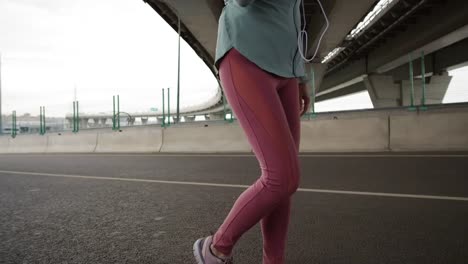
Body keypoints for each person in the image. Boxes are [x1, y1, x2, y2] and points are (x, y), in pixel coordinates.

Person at [193, 0, 311, 263]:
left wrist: (301, 77)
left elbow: (293, 16)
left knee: (285, 183)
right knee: (282, 177)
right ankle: (215, 248)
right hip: (245, 55)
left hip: (287, 70)